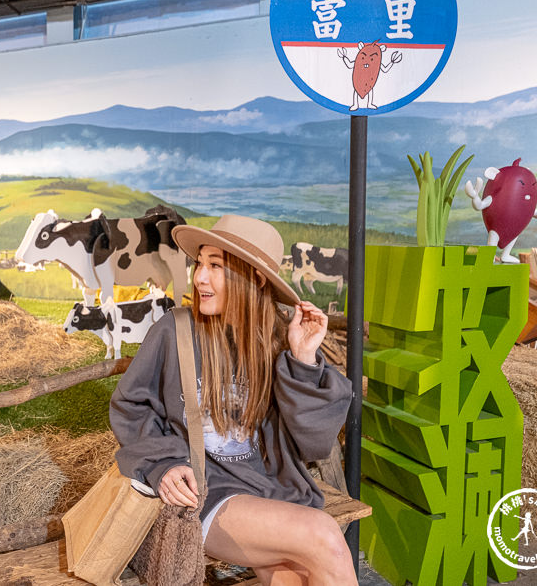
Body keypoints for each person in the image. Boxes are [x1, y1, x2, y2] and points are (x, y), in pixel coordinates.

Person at [109, 215, 356, 585]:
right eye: (200, 264)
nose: (199, 278)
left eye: (216, 266)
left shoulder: (276, 341)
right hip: (208, 494)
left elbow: (315, 443)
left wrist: (303, 360)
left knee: (296, 577)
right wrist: (165, 464)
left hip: (273, 488)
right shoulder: (174, 331)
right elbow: (131, 407)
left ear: (254, 277)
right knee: (325, 538)